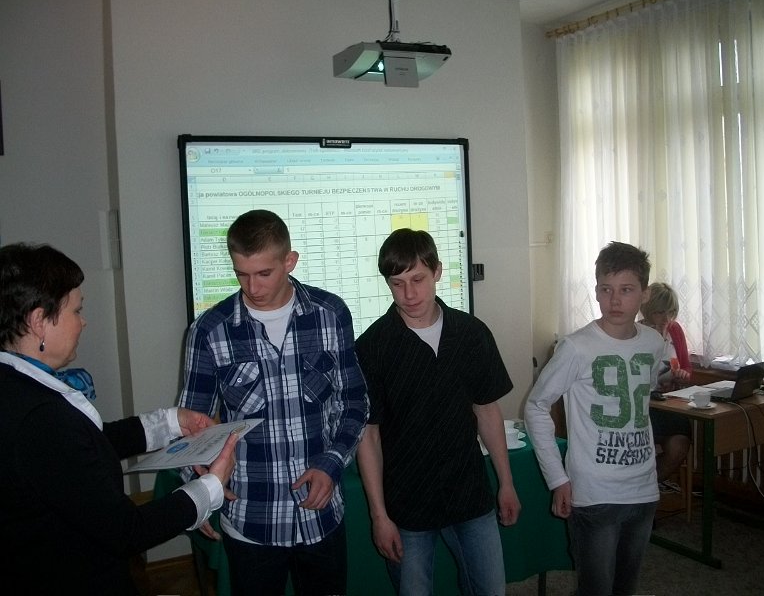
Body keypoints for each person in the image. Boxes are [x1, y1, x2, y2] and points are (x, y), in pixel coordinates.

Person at [0, 242, 238, 596]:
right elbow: (128, 531)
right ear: (39, 322)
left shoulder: (16, 388)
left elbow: (82, 448)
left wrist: (173, 422)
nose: (83, 322)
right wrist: (212, 486)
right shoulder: (39, 418)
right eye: (76, 310)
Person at [178, 209, 369, 596]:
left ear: (289, 261)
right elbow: (190, 425)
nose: (252, 287)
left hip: (321, 516)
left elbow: (354, 402)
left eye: (264, 273)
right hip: (251, 520)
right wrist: (198, 490)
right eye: (241, 274)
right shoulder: (210, 331)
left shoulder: (331, 315)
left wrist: (333, 463)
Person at [355, 228, 520, 596]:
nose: (409, 294)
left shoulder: (471, 334)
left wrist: (506, 482)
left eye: (418, 279)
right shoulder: (372, 347)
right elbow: (370, 435)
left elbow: (487, 411)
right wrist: (379, 516)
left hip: (469, 493)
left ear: (438, 272)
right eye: (397, 284)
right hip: (407, 503)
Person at [524, 241, 664, 596]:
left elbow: (643, 399)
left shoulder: (653, 342)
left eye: (626, 290)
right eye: (605, 289)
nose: (614, 300)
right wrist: (558, 478)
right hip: (594, 491)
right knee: (596, 587)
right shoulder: (576, 347)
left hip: (642, 487)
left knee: (626, 585)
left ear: (645, 294)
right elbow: (536, 406)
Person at [639, 282, 692, 488]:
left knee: (680, 443)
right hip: (645, 406)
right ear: (648, 310)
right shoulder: (637, 332)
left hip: (669, 404)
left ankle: (646, 486)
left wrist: (682, 376)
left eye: (671, 312)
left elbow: (686, 368)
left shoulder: (675, 330)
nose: (666, 318)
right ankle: (641, 488)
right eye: (660, 312)